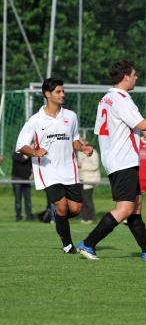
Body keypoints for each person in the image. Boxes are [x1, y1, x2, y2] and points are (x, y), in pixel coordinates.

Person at [76, 59, 146, 260]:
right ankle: (88, 244)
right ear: (126, 76)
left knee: (135, 207)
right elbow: (142, 125)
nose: (136, 77)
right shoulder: (121, 98)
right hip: (122, 160)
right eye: (134, 74)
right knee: (125, 208)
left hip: (116, 159)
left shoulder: (106, 99)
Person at [15, 77, 93, 254]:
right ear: (47, 94)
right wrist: (35, 152)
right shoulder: (35, 120)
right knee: (62, 205)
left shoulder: (71, 116)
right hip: (48, 171)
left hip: (69, 170)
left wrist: (83, 147)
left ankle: (58, 218)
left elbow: (74, 140)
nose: (62, 94)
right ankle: (68, 244)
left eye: (63, 91)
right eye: (58, 91)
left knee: (76, 208)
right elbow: (21, 145)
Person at [77, 138, 100, 224]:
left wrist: (82, 166)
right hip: (82, 179)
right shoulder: (80, 152)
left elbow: (95, 166)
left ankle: (90, 217)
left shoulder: (93, 152)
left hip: (90, 180)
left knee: (87, 199)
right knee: (82, 199)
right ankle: (84, 217)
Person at [11, 151, 33, 221]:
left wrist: (32, 175)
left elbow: (33, 165)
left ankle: (29, 217)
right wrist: (30, 152)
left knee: (28, 200)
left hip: (27, 180)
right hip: (17, 179)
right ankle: (18, 217)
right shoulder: (16, 154)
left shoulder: (30, 154)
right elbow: (23, 159)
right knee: (18, 200)